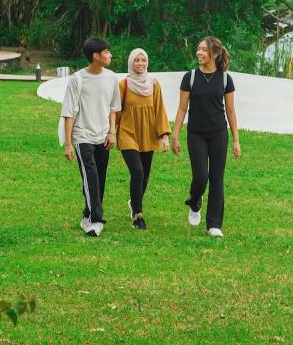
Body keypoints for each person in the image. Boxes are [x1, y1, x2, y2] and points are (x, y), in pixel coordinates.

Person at [171, 36, 241, 238]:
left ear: (215, 54)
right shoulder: (190, 77)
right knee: (200, 177)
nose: (199, 53)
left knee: (217, 178)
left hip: (219, 133)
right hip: (196, 134)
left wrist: (235, 140)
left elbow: (230, 110)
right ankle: (195, 201)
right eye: (198, 49)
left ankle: (214, 224)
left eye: (203, 50)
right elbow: (182, 108)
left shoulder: (226, 79)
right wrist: (175, 135)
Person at [62, 37, 121, 237]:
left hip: (103, 136)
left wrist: (112, 132)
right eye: (107, 52)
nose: (110, 55)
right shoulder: (77, 79)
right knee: (90, 175)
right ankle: (96, 220)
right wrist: (68, 144)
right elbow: (69, 112)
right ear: (96, 56)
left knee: (100, 178)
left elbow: (114, 108)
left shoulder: (112, 78)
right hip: (82, 136)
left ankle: (88, 214)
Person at [117, 48, 170, 231]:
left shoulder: (154, 85)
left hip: (147, 134)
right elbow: (116, 111)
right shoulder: (123, 85)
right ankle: (138, 216)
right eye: (137, 60)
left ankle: (134, 201)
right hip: (127, 133)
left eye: (143, 60)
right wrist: (108, 132)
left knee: (145, 176)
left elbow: (159, 110)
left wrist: (164, 136)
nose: (140, 63)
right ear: (131, 63)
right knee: (137, 172)